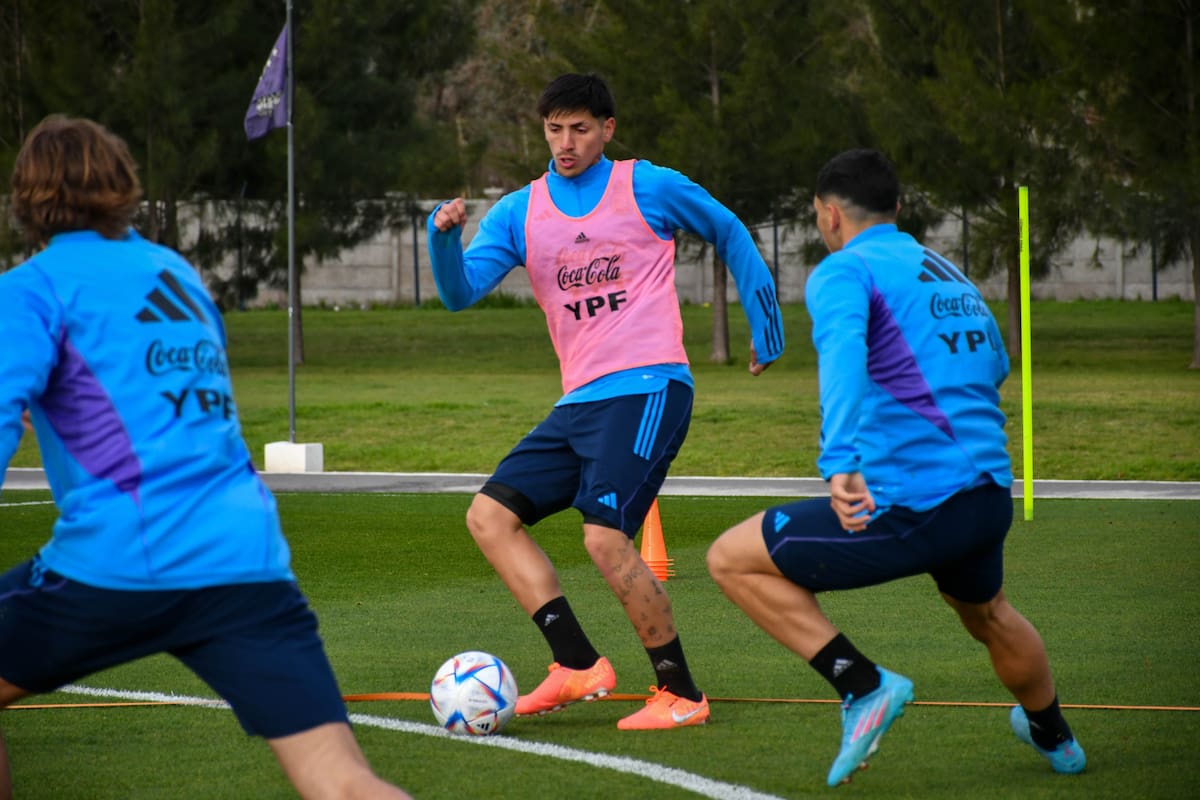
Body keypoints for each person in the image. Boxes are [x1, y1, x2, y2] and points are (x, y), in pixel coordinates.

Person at [0, 115, 411, 800]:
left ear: (26, 196)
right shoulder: (177, 274)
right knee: (343, 781)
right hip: (244, 556)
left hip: (119, 561)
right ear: (121, 184)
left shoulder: (32, 288)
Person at [706, 149, 1086, 785]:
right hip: (988, 494)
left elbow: (844, 358)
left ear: (828, 215)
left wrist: (842, 463)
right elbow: (994, 365)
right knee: (988, 612)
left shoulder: (843, 271)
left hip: (916, 500)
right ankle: (1056, 737)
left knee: (729, 557)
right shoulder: (946, 273)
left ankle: (863, 686)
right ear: (899, 209)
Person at [427, 73, 784, 730]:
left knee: (602, 536)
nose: (566, 143)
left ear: (607, 129)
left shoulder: (645, 185)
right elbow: (457, 293)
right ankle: (576, 664)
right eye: (555, 129)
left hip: (650, 386)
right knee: (489, 517)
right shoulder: (519, 211)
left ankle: (680, 691)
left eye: (580, 128)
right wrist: (442, 238)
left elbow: (730, 229)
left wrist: (765, 320)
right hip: (579, 403)